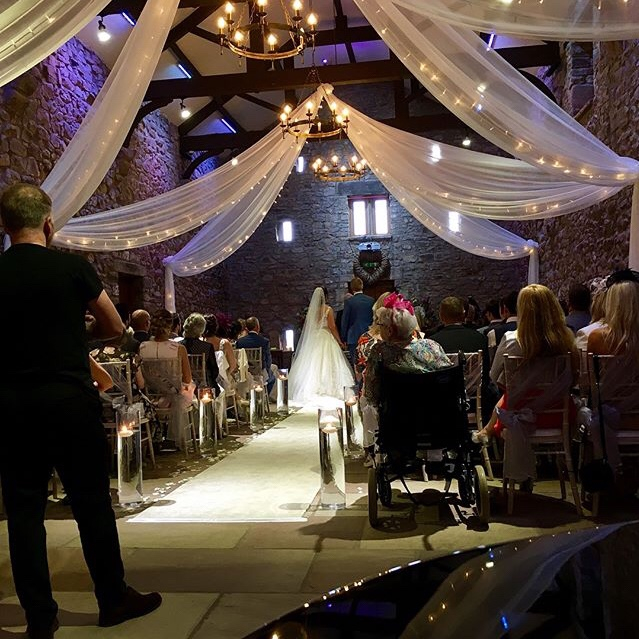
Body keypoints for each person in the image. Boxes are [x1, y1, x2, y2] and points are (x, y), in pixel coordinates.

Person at [0, 183, 161, 639]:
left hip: (12, 406)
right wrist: (72, 338)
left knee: (25, 512)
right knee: (91, 502)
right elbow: (114, 325)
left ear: (5, 226)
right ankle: (112, 599)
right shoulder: (73, 268)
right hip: (70, 401)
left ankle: (38, 616)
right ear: (48, 224)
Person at [476, 285, 579, 488]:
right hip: (559, 415)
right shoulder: (567, 339)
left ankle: (488, 434)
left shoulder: (512, 340)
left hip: (519, 415)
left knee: (509, 398)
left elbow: (494, 376)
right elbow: (574, 378)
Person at [364, 293, 452, 408]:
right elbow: (450, 381)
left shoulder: (379, 352)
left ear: (389, 331)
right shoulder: (432, 346)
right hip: (434, 416)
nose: (379, 328)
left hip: (397, 420)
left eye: (380, 325)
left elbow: (371, 397)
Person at [289, 287, 354, 407]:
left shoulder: (311, 311)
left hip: (314, 338)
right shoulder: (328, 309)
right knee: (328, 362)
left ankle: (313, 388)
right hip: (325, 336)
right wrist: (339, 341)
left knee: (314, 363)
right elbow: (332, 327)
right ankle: (329, 389)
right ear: (326, 296)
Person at [236, 316, 276, 394]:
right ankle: (262, 396)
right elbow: (268, 359)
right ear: (258, 327)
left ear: (247, 328)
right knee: (272, 379)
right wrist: (267, 371)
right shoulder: (264, 341)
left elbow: (238, 358)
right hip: (260, 372)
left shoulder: (240, 342)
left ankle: (251, 396)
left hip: (245, 373)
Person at [341, 276, 374, 366]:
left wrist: (343, 337)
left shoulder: (350, 302)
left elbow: (345, 321)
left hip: (353, 336)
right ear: (362, 286)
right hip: (369, 335)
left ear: (351, 288)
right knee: (369, 363)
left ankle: (358, 380)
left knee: (356, 364)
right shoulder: (371, 300)